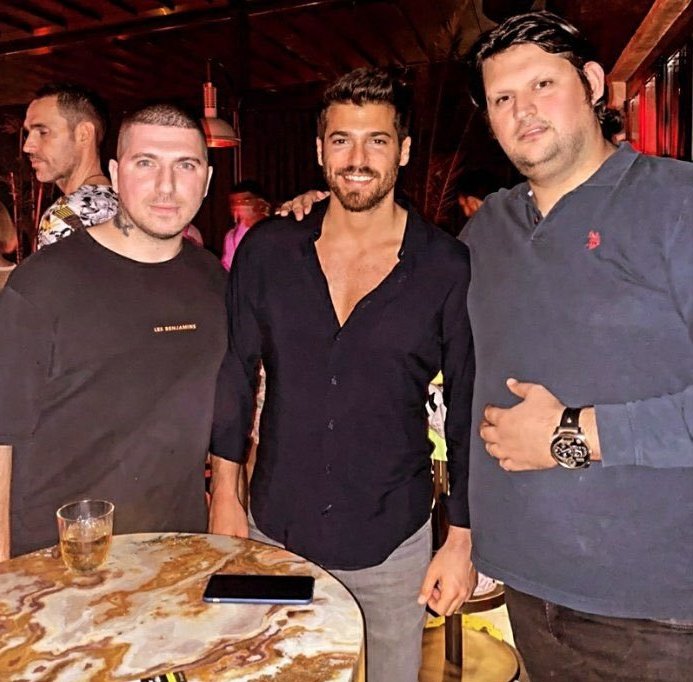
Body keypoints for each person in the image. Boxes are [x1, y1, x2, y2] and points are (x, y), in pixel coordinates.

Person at [209, 68, 475, 681]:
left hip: (392, 540)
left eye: (376, 140)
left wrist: (460, 539)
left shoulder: (447, 266)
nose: (357, 159)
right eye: (341, 140)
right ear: (319, 150)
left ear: (402, 151)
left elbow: (465, 405)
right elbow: (234, 373)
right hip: (275, 531)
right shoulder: (268, 251)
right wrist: (225, 496)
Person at [463, 11, 693, 681]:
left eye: (542, 84)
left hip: (658, 611)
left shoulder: (677, 204)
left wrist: (574, 434)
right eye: (502, 98)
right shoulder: (487, 231)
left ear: (591, 83)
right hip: (527, 587)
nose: (522, 111)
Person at [0, 102, 227, 560]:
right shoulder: (42, 285)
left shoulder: (214, 281)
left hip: (179, 549)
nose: (166, 186)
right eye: (146, 163)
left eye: (185, 165)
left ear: (205, 181)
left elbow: (228, 405)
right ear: (116, 174)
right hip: (60, 560)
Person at [23, 83, 118, 249]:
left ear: (84, 134)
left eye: (43, 132)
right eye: (28, 134)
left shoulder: (64, 214)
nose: (27, 147)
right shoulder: (124, 204)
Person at [220, 180, 270, 270]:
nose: (239, 206)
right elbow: (227, 267)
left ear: (260, 203)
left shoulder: (273, 232)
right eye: (234, 202)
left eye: (246, 201)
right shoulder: (231, 237)